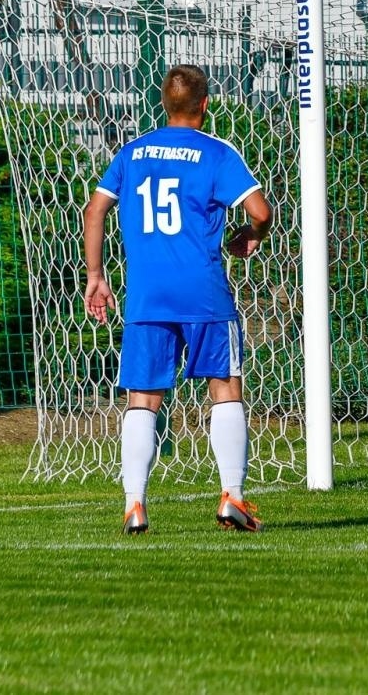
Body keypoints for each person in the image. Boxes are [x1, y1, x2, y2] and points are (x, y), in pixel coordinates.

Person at [83, 64, 273, 535]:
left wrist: (95, 275)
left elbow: (95, 209)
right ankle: (232, 495)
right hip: (202, 291)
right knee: (225, 387)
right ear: (205, 105)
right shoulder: (216, 152)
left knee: (142, 398)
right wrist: (252, 234)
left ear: (163, 104)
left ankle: (134, 504)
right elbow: (262, 210)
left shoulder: (131, 152)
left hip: (147, 296)